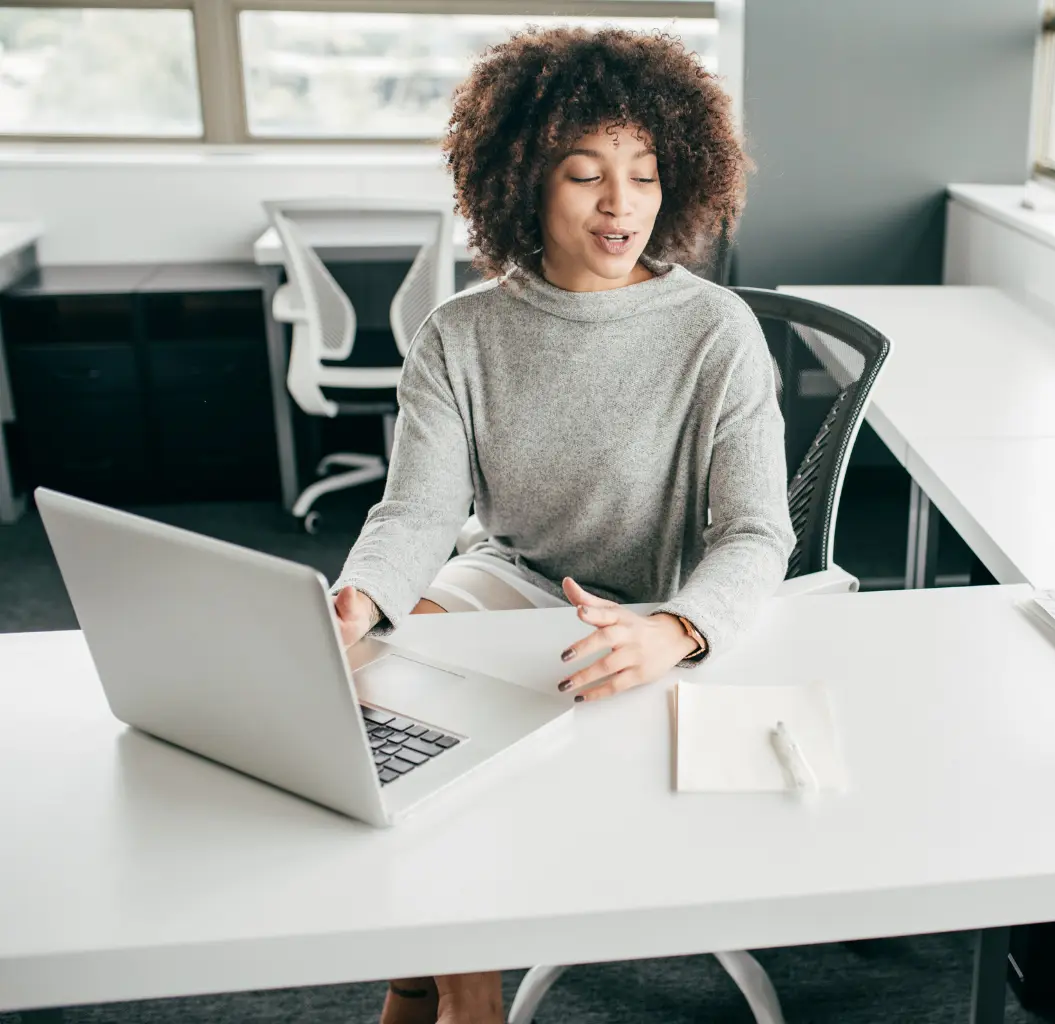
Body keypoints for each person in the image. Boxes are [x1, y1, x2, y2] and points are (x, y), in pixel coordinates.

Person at [329, 26, 794, 1024]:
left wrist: (676, 626)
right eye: (586, 175)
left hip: (648, 607)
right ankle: (471, 991)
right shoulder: (461, 333)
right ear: (525, 183)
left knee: (443, 720)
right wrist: (361, 594)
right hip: (508, 581)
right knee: (376, 664)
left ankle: (419, 978)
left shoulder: (717, 334)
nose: (622, 203)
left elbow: (756, 534)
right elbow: (417, 512)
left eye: (644, 172)